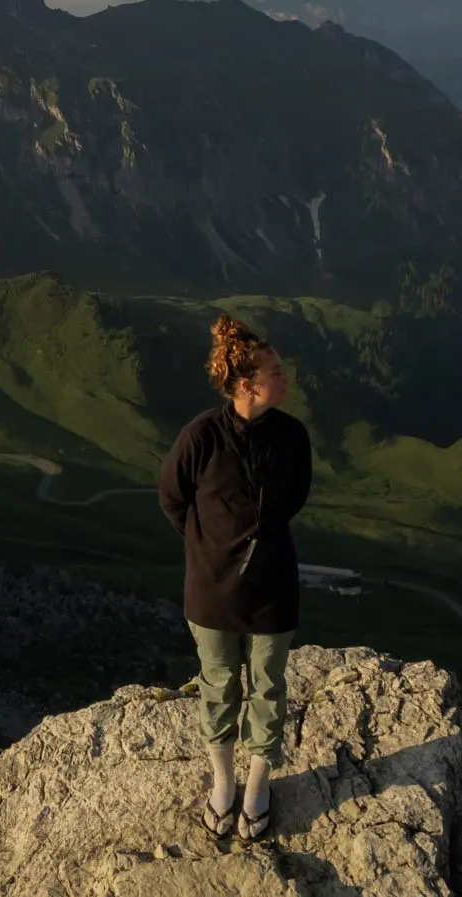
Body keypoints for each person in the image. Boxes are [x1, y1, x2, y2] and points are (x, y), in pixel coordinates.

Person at [157, 312, 312, 845]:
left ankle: (258, 785)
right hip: (213, 588)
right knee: (219, 685)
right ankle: (224, 783)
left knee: (268, 686)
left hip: (273, 587)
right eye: (275, 369)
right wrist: (209, 547)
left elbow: (293, 500)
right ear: (247, 385)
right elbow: (172, 497)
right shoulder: (201, 435)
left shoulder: (292, 437)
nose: (285, 375)